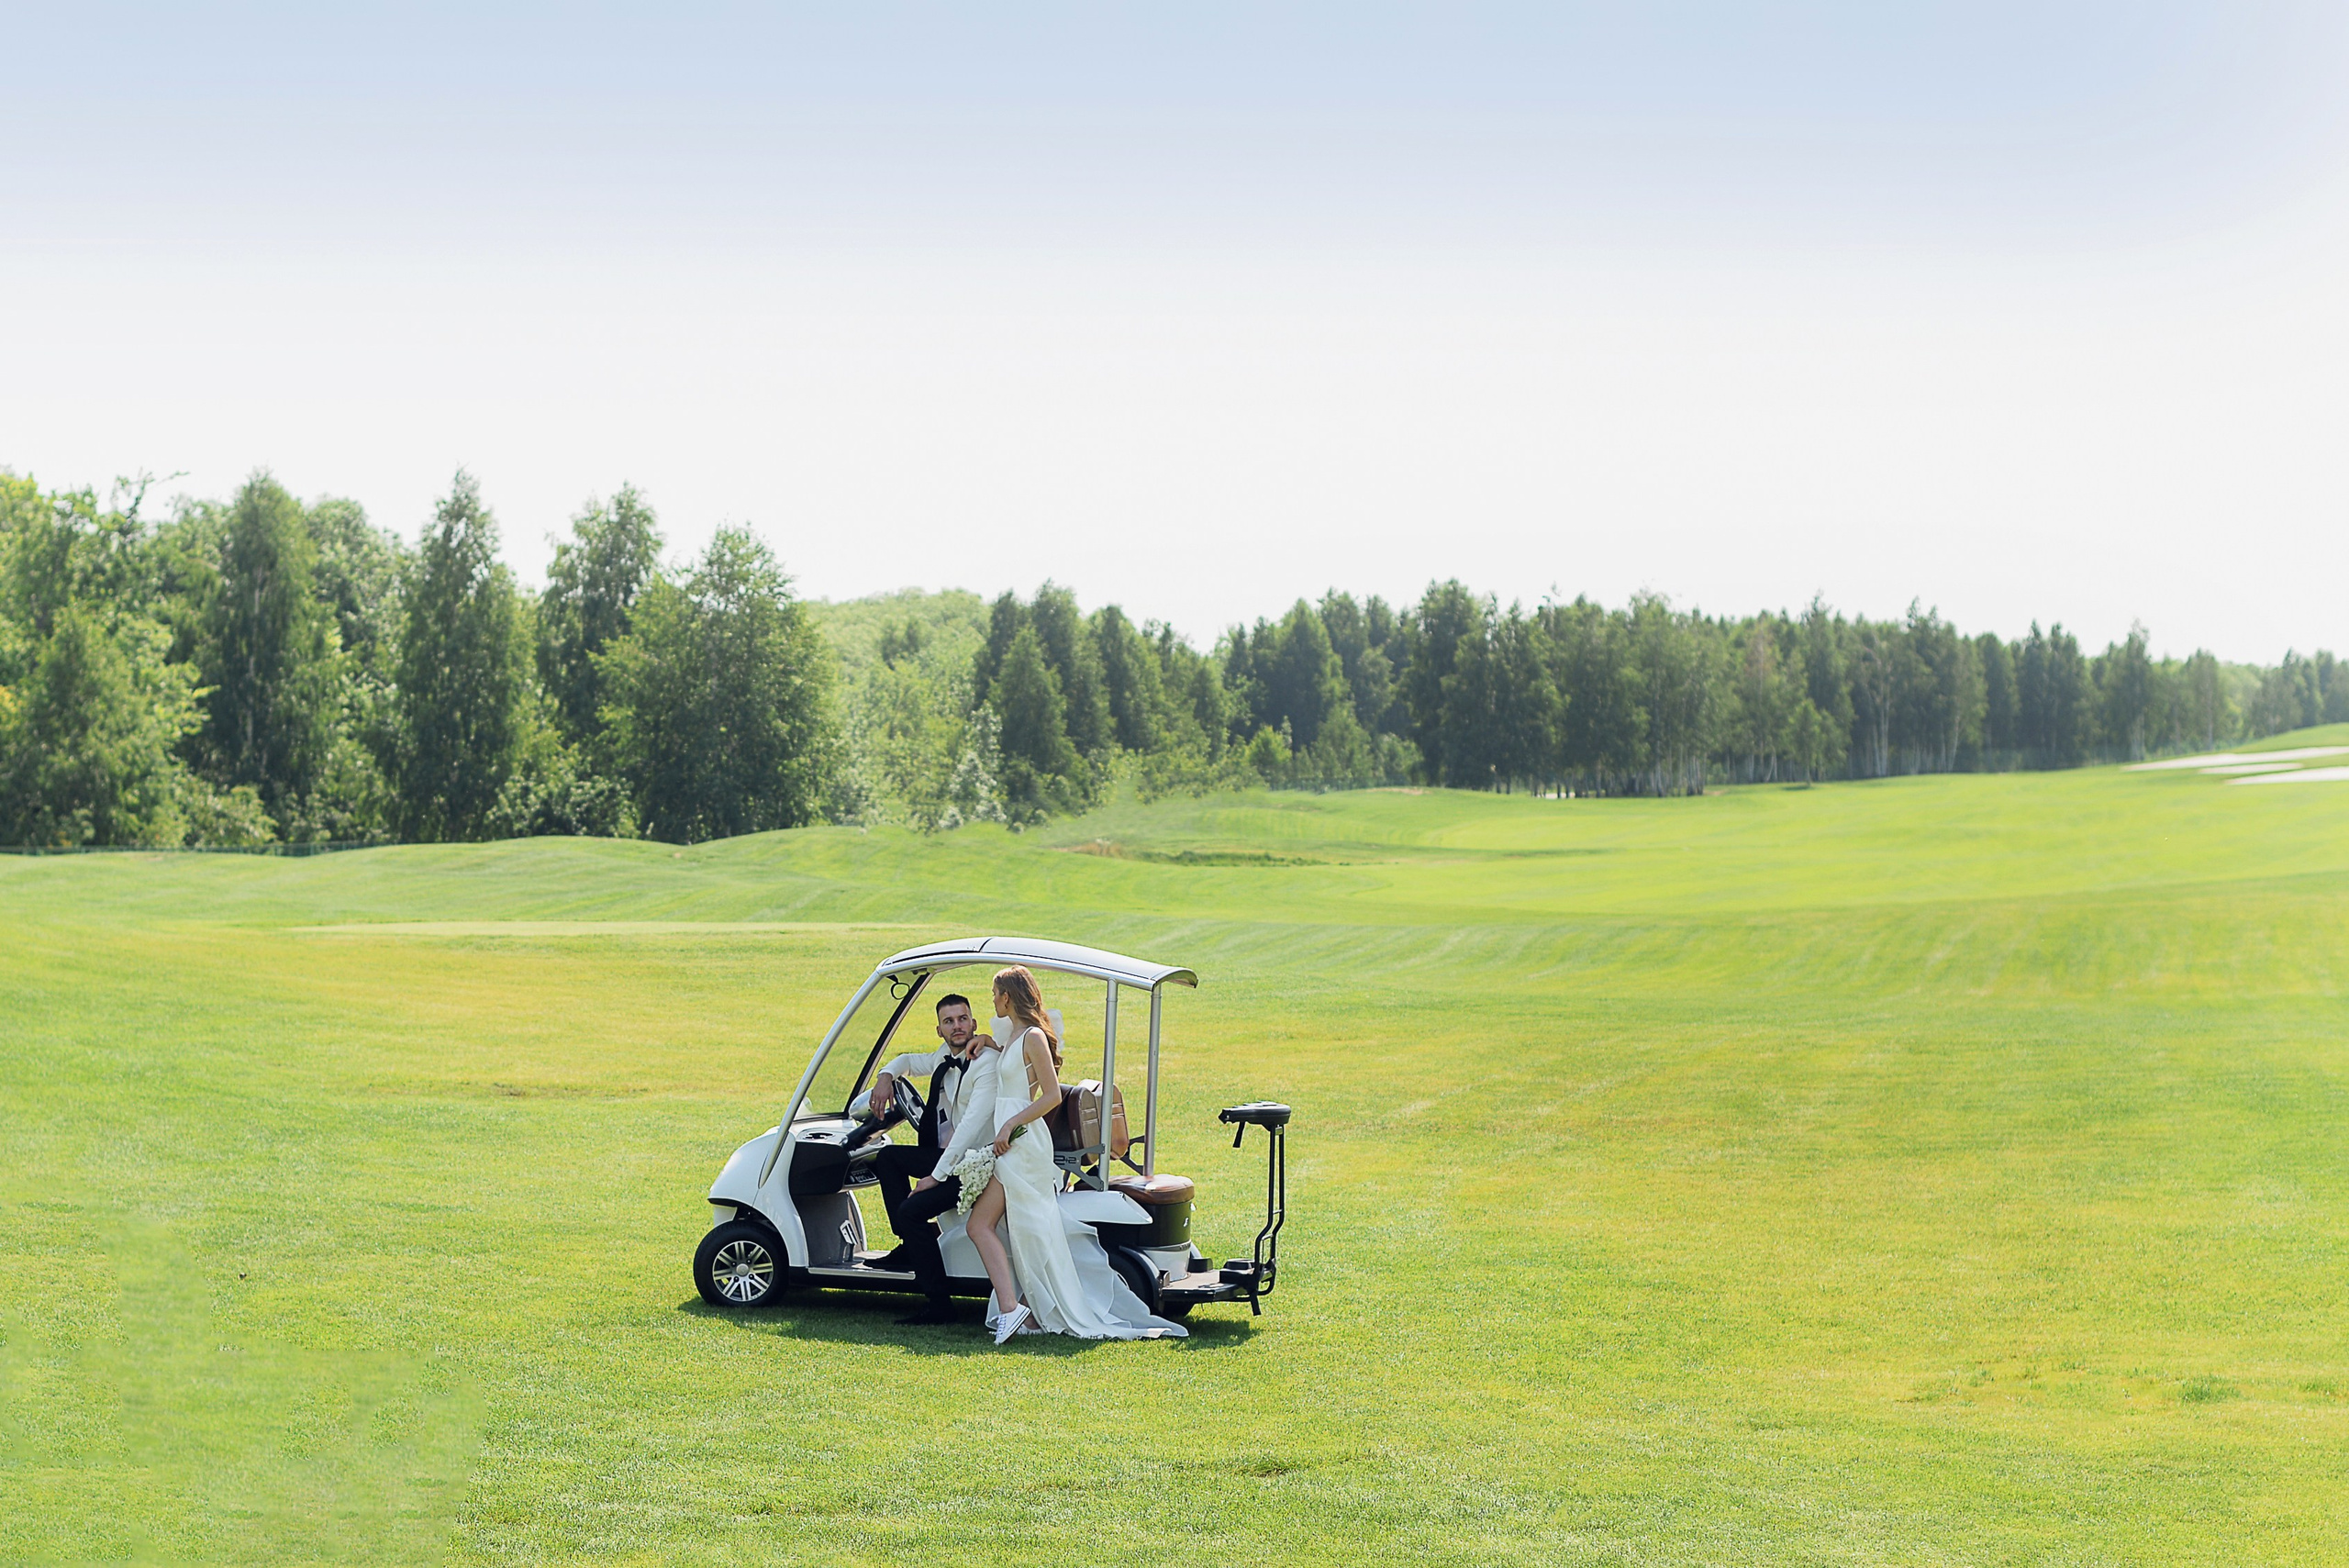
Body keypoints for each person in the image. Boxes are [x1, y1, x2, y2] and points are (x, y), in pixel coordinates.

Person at [965, 965, 1188, 1344]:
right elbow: (1015, 1069)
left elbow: (1049, 1096)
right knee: (1021, 1228)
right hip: (1014, 1141)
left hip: (1022, 1143)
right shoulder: (1017, 1035)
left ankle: (1016, 1309)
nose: (992, 1000)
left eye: (994, 994)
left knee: (997, 1225)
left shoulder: (1033, 1035)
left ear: (1008, 996)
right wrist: (989, 1041)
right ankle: (1023, 1309)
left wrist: (1007, 1127)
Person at [863, 993, 998, 1326]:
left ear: (974, 1023)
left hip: (975, 1169)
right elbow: (909, 1059)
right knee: (889, 1157)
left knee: (912, 1211)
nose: (957, 1026)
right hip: (950, 1158)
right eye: (949, 1021)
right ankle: (910, 1243)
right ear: (939, 1029)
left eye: (963, 1019)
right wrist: (886, 1076)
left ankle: (939, 1303)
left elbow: (968, 1131)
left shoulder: (986, 1065)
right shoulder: (943, 1055)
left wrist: (935, 1177)